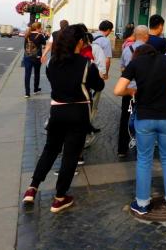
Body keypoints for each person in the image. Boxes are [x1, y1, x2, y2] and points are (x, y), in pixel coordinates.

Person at [22, 25, 105, 212]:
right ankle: (60, 197)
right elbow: (98, 85)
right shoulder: (86, 64)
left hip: (57, 112)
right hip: (78, 113)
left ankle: (32, 188)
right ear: (80, 42)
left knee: (50, 149)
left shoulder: (53, 63)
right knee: (70, 155)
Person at [114, 35, 166, 215]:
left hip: (145, 117)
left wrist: (133, 91)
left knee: (144, 160)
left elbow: (117, 90)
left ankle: (142, 203)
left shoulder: (136, 63)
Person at [117, 25, 149, 157]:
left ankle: (122, 149)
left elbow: (123, 69)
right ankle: (142, 147)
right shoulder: (150, 51)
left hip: (129, 90)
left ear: (135, 35)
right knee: (144, 118)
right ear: (146, 36)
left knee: (125, 117)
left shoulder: (126, 49)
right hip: (145, 90)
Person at [23, 22, 47, 98]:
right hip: (37, 57)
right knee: (37, 73)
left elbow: (24, 47)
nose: (41, 29)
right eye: (40, 28)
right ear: (37, 28)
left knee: (27, 74)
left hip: (27, 57)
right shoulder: (40, 36)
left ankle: (27, 93)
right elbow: (44, 43)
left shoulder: (27, 35)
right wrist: (44, 34)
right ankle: (36, 89)